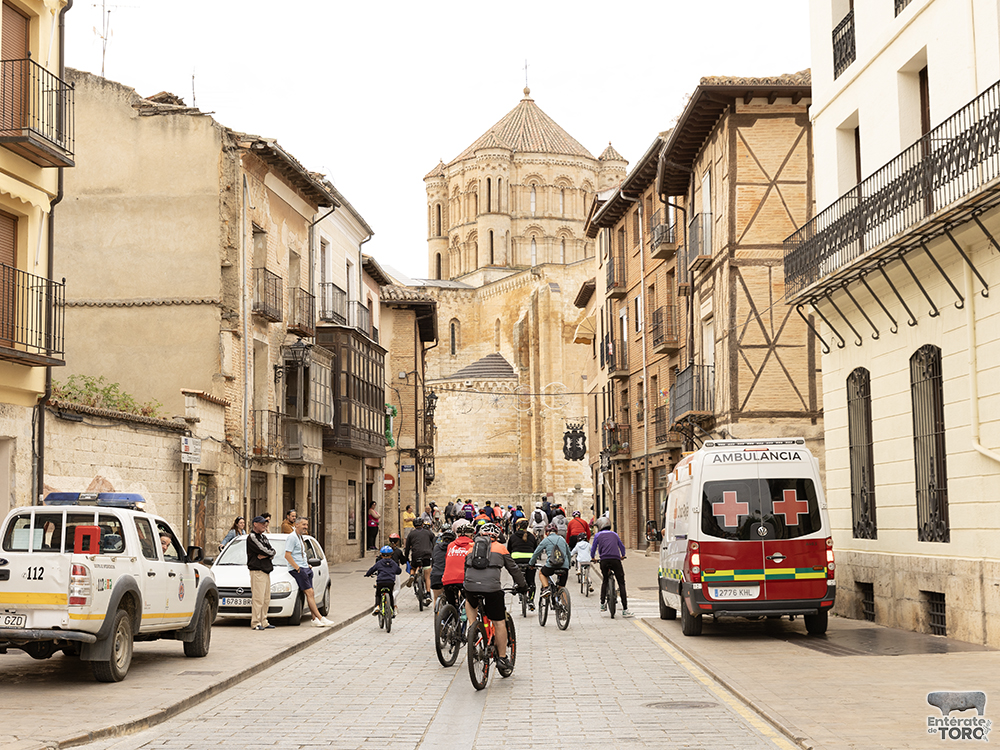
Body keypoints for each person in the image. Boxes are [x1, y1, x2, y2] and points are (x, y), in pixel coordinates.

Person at [464, 522, 526, 677]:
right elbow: (514, 569)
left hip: (471, 587)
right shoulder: (501, 548)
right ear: (497, 537)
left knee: (469, 600)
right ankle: (503, 658)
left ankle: (473, 629)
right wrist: (523, 585)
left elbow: (466, 569)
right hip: (492, 590)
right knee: (499, 622)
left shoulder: (471, 548)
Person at [284, 517, 334, 627]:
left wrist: (307, 564)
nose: (305, 527)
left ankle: (314, 618)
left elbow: (301, 554)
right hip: (299, 570)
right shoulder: (292, 537)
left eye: (306, 525)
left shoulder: (301, 537)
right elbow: (287, 555)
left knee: (311, 593)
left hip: (305, 568)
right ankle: (320, 618)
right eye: (303, 524)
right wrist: (298, 568)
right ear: (297, 525)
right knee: (309, 593)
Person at [592, 518, 632, 617]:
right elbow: (621, 546)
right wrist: (622, 555)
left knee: (605, 580)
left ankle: (602, 604)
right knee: (621, 582)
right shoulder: (615, 534)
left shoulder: (597, 535)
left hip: (604, 560)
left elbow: (593, 548)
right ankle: (625, 609)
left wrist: (593, 557)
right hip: (615, 560)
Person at [246, 515, 276, 630]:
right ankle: (256, 622)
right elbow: (262, 549)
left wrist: (268, 554)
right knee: (258, 598)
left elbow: (272, 551)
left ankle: (264, 621)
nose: (265, 525)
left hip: (266, 569)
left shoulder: (263, 537)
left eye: (266, 523)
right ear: (255, 524)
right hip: (257, 570)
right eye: (262, 523)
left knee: (266, 598)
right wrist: (268, 553)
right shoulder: (252, 537)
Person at [529, 523, 571, 596]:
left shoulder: (546, 540)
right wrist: (569, 565)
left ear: (546, 533)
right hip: (564, 566)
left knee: (542, 572)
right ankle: (565, 605)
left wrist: (531, 563)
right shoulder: (562, 539)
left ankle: (546, 588)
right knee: (562, 587)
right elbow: (568, 554)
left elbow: (536, 553)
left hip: (551, 565)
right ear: (557, 532)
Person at [441, 521, 475, 609]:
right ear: (471, 535)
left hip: (447, 579)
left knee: (452, 605)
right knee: (470, 603)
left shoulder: (451, 545)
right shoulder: (473, 546)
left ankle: (451, 617)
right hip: (464, 579)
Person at [507, 518, 538, 610]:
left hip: (517, 560)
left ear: (518, 526)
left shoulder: (513, 536)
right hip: (530, 561)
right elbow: (536, 550)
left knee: (514, 571)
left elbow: (509, 550)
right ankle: (531, 601)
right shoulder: (532, 536)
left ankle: (516, 583)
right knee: (531, 582)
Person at [403, 516, 435, 605]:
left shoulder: (411, 534)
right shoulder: (428, 532)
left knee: (413, 566)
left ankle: (412, 575)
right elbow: (434, 541)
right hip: (427, 555)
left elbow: (407, 548)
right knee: (427, 576)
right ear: (422, 524)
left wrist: (406, 558)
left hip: (416, 555)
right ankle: (428, 594)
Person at [365, 546, 402, 616]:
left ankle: (377, 606)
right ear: (391, 555)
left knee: (378, 594)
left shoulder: (379, 563)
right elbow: (399, 571)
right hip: (390, 582)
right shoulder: (393, 563)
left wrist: (367, 574)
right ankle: (392, 611)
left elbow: (372, 569)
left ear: (381, 555)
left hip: (380, 582)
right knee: (390, 595)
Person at [429, 524, 457, 608]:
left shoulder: (436, 547)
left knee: (436, 598)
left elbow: (433, 562)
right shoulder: (454, 548)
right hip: (449, 577)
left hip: (436, 575)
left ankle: (437, 616)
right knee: (454, 598)